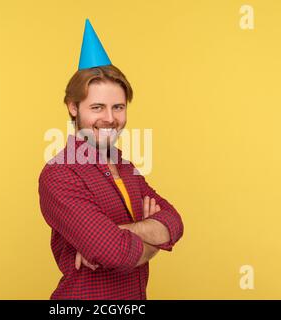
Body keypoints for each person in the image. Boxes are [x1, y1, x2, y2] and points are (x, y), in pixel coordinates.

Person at [38, 19, 184, 300]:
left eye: (118, 106)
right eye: (97, 107)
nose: (110, 118)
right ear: (73, 107)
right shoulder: (60, 174)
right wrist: (151, 236)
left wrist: (118, 232)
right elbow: (116, 253)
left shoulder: (126, 167)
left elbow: (174, 223)